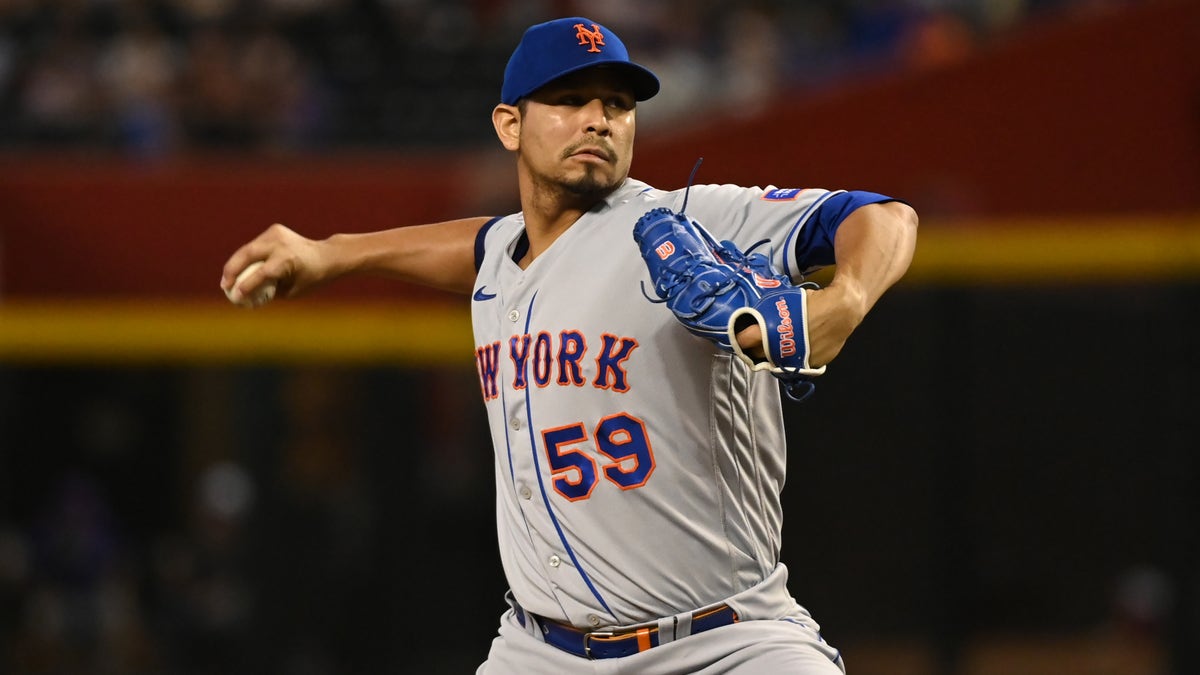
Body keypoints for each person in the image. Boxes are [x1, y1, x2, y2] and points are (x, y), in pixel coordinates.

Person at [221, 16, 918, 674]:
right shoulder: (503, 254)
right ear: (509, 124)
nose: (599, 119)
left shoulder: (686, 219)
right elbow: (472, 245)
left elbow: (882, 216)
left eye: (618, 105)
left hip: (724, 641)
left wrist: (842, 300)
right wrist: (331, 252)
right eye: (570, 99)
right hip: (540, 649)